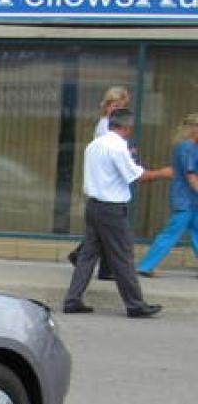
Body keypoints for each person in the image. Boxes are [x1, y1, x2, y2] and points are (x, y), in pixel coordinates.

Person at [63, 108, 172, 318]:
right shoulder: (118, 147)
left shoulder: (94, 145)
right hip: (111, 209)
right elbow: (136, 176)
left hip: (93, 205)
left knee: (87, 256)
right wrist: (164, 173)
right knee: (122, 256)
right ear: (127, 126)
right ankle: (135, 305)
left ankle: (72, 300)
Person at [68, 86, 132, 276]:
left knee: (100, 232)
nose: (117, 109)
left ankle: (102, 267)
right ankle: (90, 259)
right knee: (108, 231)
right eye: (114, 105)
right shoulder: (106, 126)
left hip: (109, 184)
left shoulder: (108, 124)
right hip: (107, 185)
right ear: (107, 106)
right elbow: (110, 150)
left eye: (121, 106)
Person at [137, 112, 198, 277]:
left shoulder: (189, 147)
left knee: (196, 232)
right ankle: (145, 266)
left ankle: (146, 266)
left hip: (190, 200)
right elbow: (190, 174)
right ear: (194, 129)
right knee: (171, 234)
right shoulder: (187, 148)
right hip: (185, 199)